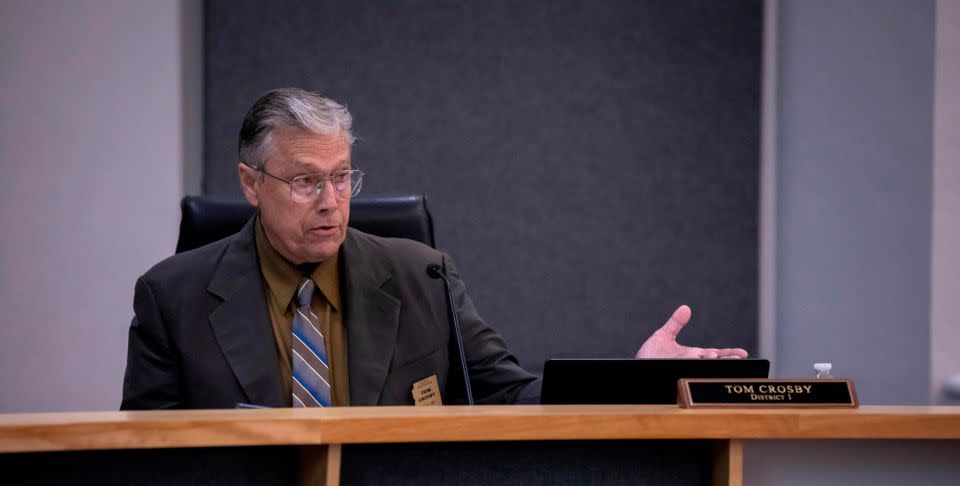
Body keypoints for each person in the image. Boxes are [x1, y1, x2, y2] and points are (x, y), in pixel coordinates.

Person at [121, 88, 747, 410]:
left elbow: (507, 396)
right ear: (250, 184)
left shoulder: (422, 277)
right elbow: (145, 467)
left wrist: (631, 381)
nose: (331, 201)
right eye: (306, 181)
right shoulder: (171, 297)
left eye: (342, 177)